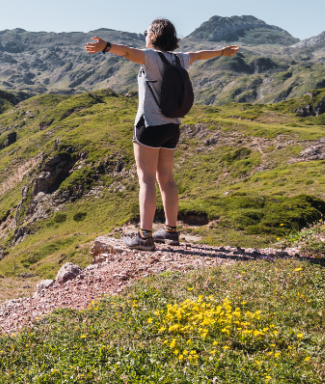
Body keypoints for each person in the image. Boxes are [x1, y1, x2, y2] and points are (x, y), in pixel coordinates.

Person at [85, 19, 238, 250]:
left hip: (150, 126)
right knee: (166, 179)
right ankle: (170, 231)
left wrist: (106, 46)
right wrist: (222, 52)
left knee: (146, 179)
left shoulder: (151, 57)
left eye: (147, 32)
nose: (145, 35)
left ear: (154, 35)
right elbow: (198, 54)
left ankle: (144, 237)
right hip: (172, 127)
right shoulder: (180, 58)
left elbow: (126, 52)